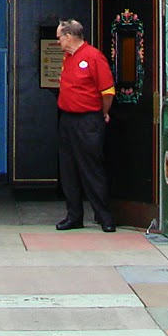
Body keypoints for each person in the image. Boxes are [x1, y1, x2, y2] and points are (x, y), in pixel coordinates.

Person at [54, 18, 115, 232]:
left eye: (59, 37)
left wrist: (102, 112)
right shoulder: (68, 58)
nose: (58, 42)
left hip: (88, 120)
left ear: (69, 36)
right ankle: (74, 216)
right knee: (68, 170)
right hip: (67, 120)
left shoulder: (93, 56)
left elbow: (107, 91)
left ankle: (104, 217)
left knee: (91, 169)